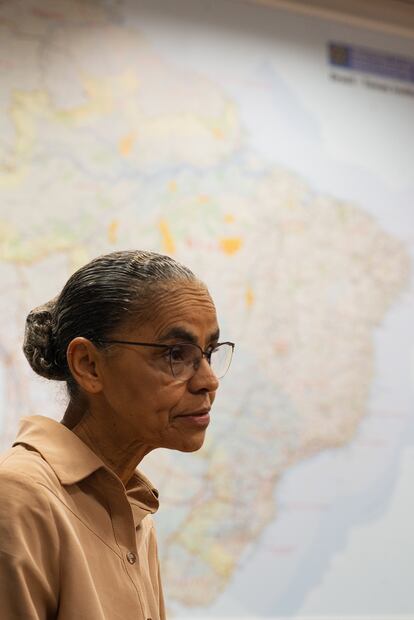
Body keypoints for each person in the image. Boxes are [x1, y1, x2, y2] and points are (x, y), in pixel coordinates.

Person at [0, 250, 234, 620]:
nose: (209, 381)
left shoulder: (134, 512)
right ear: (88, 365)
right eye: (176, 354)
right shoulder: (20, 498)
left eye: (208, 353)